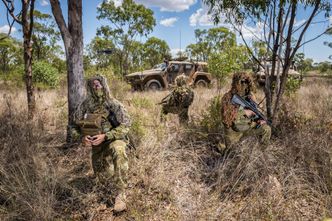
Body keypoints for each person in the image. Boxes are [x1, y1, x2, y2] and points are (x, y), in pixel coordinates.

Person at [72, 75, 131, 213]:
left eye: (98, 84)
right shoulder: (85, 106)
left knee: (118, 151)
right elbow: (73, 126)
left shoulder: (113, 103)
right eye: (93, 85)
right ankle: (113, 174)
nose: (96, 87)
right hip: (97, 145)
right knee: (102, 178)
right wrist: (82, 137)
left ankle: (121, 194)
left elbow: (126, 125)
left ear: (104, 85)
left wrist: (106, 135)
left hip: (113, 139)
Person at [220, 71, 271, 149]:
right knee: (231, 154)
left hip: (247, 127)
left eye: (247, 81)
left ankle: (261, 154)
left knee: (266, 129)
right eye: (242, 82)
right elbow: (226, 117)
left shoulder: (250, 96)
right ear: (236, 82)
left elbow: (254, 114)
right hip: (234, 133)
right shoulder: (228, 97)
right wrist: (243, 112)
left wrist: (259, 120)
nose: (244, 84)